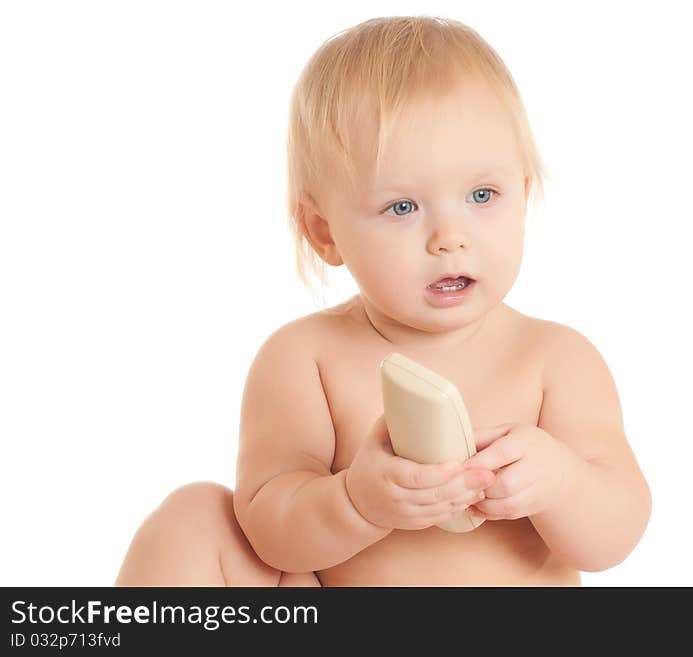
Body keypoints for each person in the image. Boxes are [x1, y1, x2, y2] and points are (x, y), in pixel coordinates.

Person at [115, 15, 651, 587]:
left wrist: (562, 483)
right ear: (324, 232)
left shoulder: (556, 358)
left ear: (524, 194)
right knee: (194, 520)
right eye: (402, 207)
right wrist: (356, 502)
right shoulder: (305, 358)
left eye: (481, 194)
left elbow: (613, 538)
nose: (449, 236)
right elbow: (272, 531)